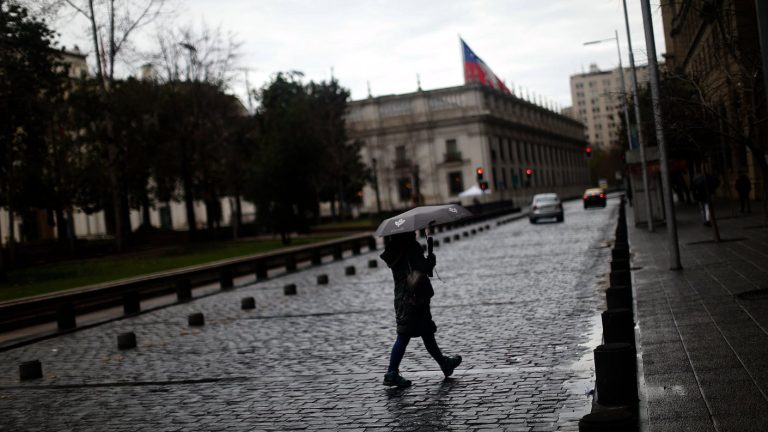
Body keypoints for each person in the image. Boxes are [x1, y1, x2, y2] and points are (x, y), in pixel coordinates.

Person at [379, 231, 461, 387]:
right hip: (416, 299)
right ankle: (391, 373)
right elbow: (422, 268)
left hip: (402, 298)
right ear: (407, 233)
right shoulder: (410, 247)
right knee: (404, 336)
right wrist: (430, 259)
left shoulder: (394, 248)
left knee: (425, 332)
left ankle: (444, 363)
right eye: (413, 231)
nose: (416, 233)